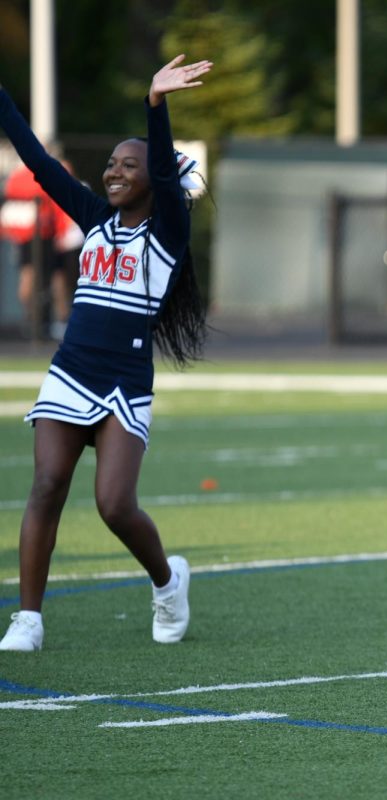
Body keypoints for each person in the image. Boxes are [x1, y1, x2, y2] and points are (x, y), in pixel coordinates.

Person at [0, 54, 212, 652]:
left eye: (128, 165)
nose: (113, 173)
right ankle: (29, 618)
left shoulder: (167, 229)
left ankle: (168, 583)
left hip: (125, 379)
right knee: (46, 485)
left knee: (115, 504)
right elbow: (39, 164)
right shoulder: (94, 217)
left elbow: (169, 182)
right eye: (111, 165)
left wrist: (156, 103)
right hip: (72, 371)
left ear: (154, 177)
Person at [1, 160, 83, 341]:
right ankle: (40, 321)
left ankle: (51, 321)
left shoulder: (21, 175)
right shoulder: (26, 175)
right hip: (38, 235)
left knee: (53, 278)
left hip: (46, 234)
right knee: (45, 278)